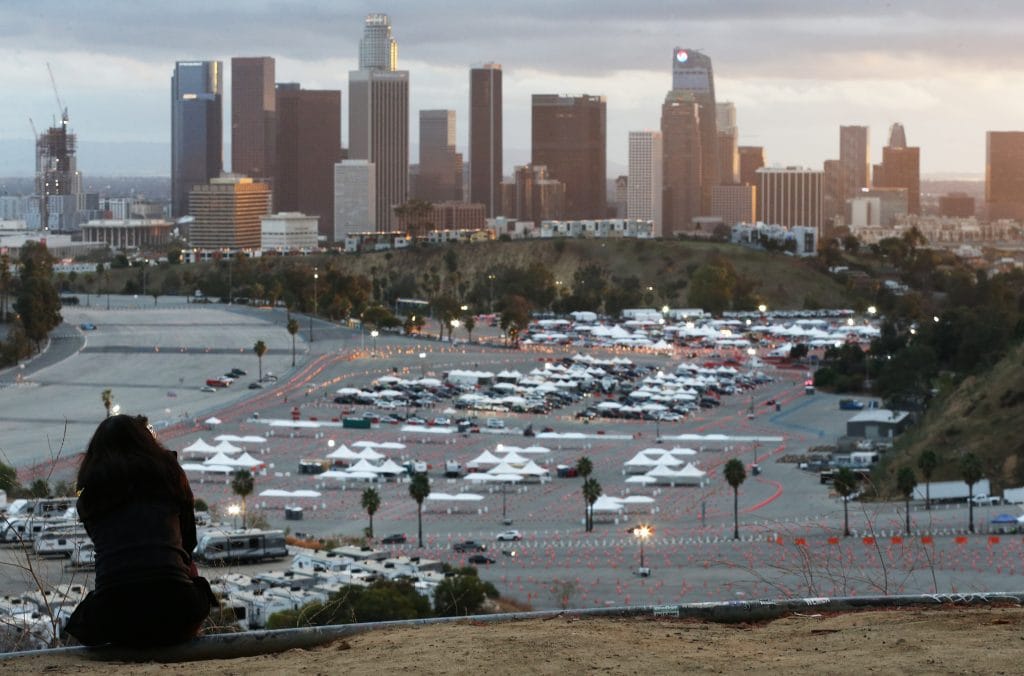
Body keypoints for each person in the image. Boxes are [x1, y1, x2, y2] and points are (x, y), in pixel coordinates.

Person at [65, 414, 216, 647]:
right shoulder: (172, 478)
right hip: (177, 609)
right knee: (188, 568)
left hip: (114, 616)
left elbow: (107, 547)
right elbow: (188, 543)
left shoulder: (88, 499)